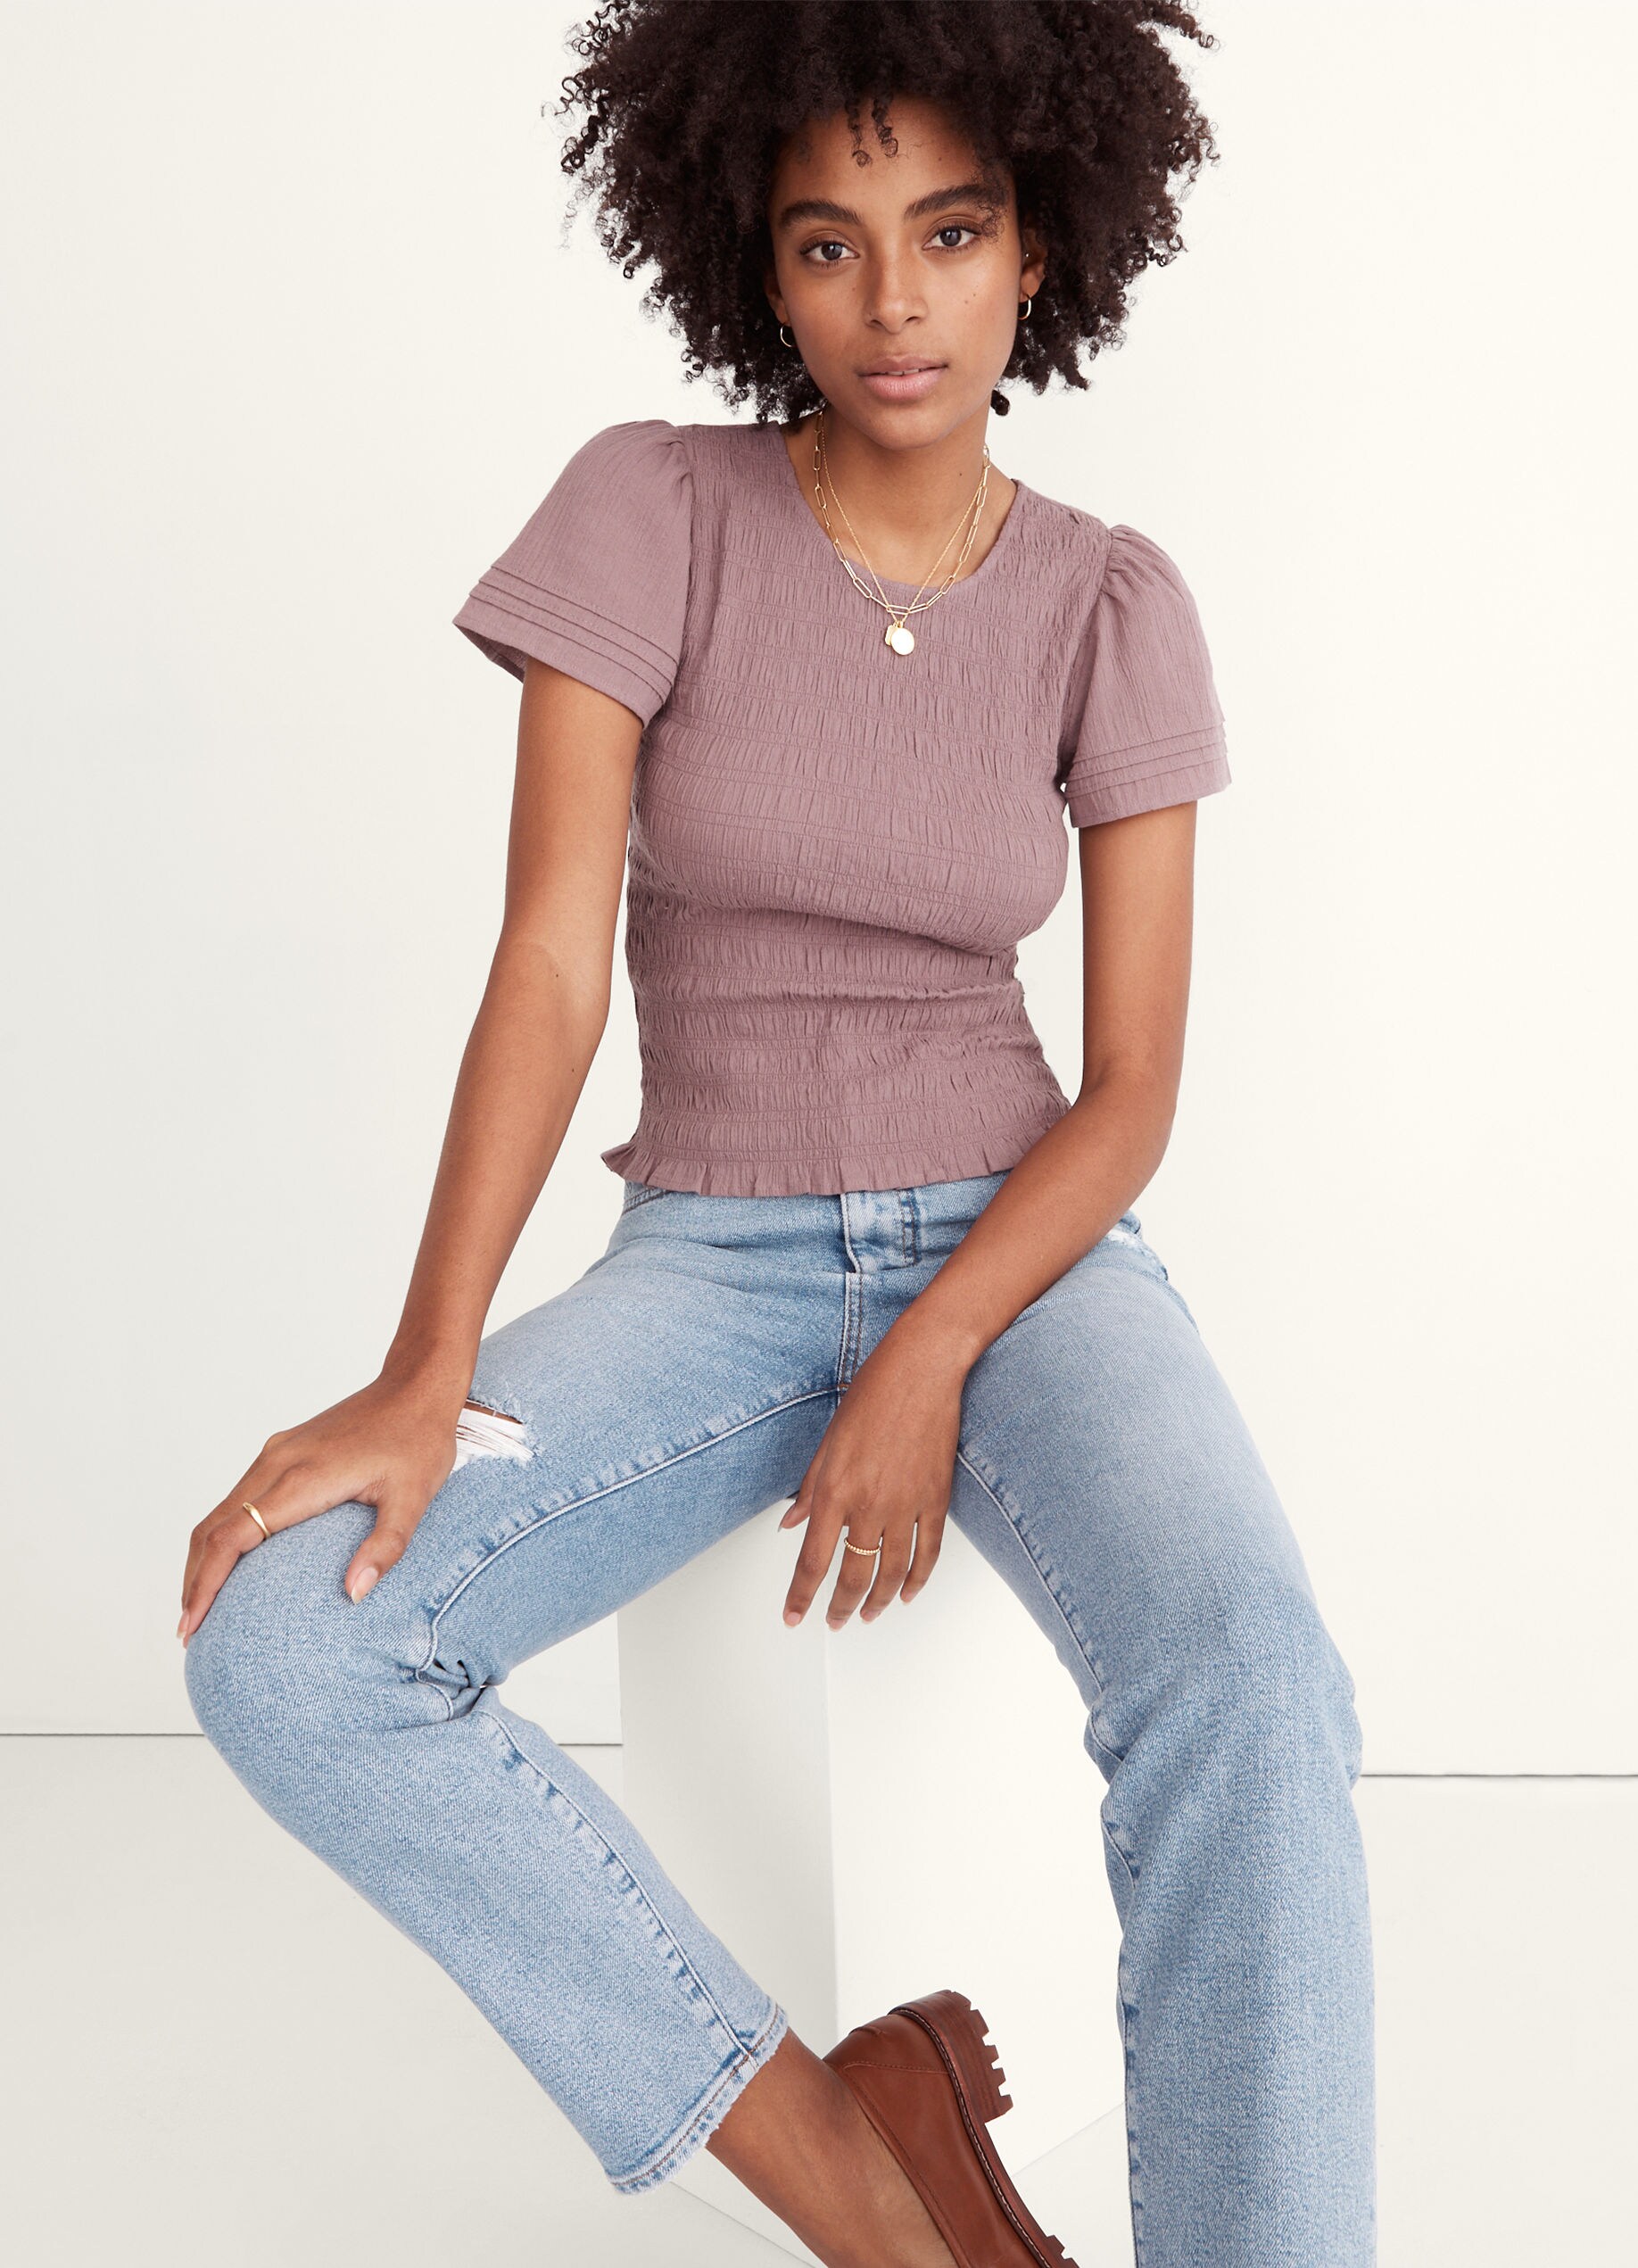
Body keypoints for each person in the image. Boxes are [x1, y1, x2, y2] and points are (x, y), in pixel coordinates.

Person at [177, 6, 1375, 2264]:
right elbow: (549, 960)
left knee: (1253, 1671)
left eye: (951, 232)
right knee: (287, 1645)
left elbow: (1131, 1087)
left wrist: (931, 1350)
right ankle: (866, 2182)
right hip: (708, 1262)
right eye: (830, 244)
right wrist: (426, 1365)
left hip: (1022, 1252)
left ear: (1043, 247)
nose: (892, 301)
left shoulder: (1112, 600)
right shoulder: (652, 511)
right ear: (758, 262)